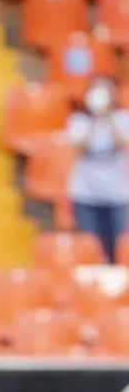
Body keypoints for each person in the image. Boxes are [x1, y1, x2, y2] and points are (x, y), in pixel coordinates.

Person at [67, 76, 129, 262]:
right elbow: (78, 148)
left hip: (117, 194)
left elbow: (123, 143)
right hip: (86, 194)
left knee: (118, 247)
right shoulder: (78, 120)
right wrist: (95, 119)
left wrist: (108, 117)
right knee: (91, 248)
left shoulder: (123, 118)